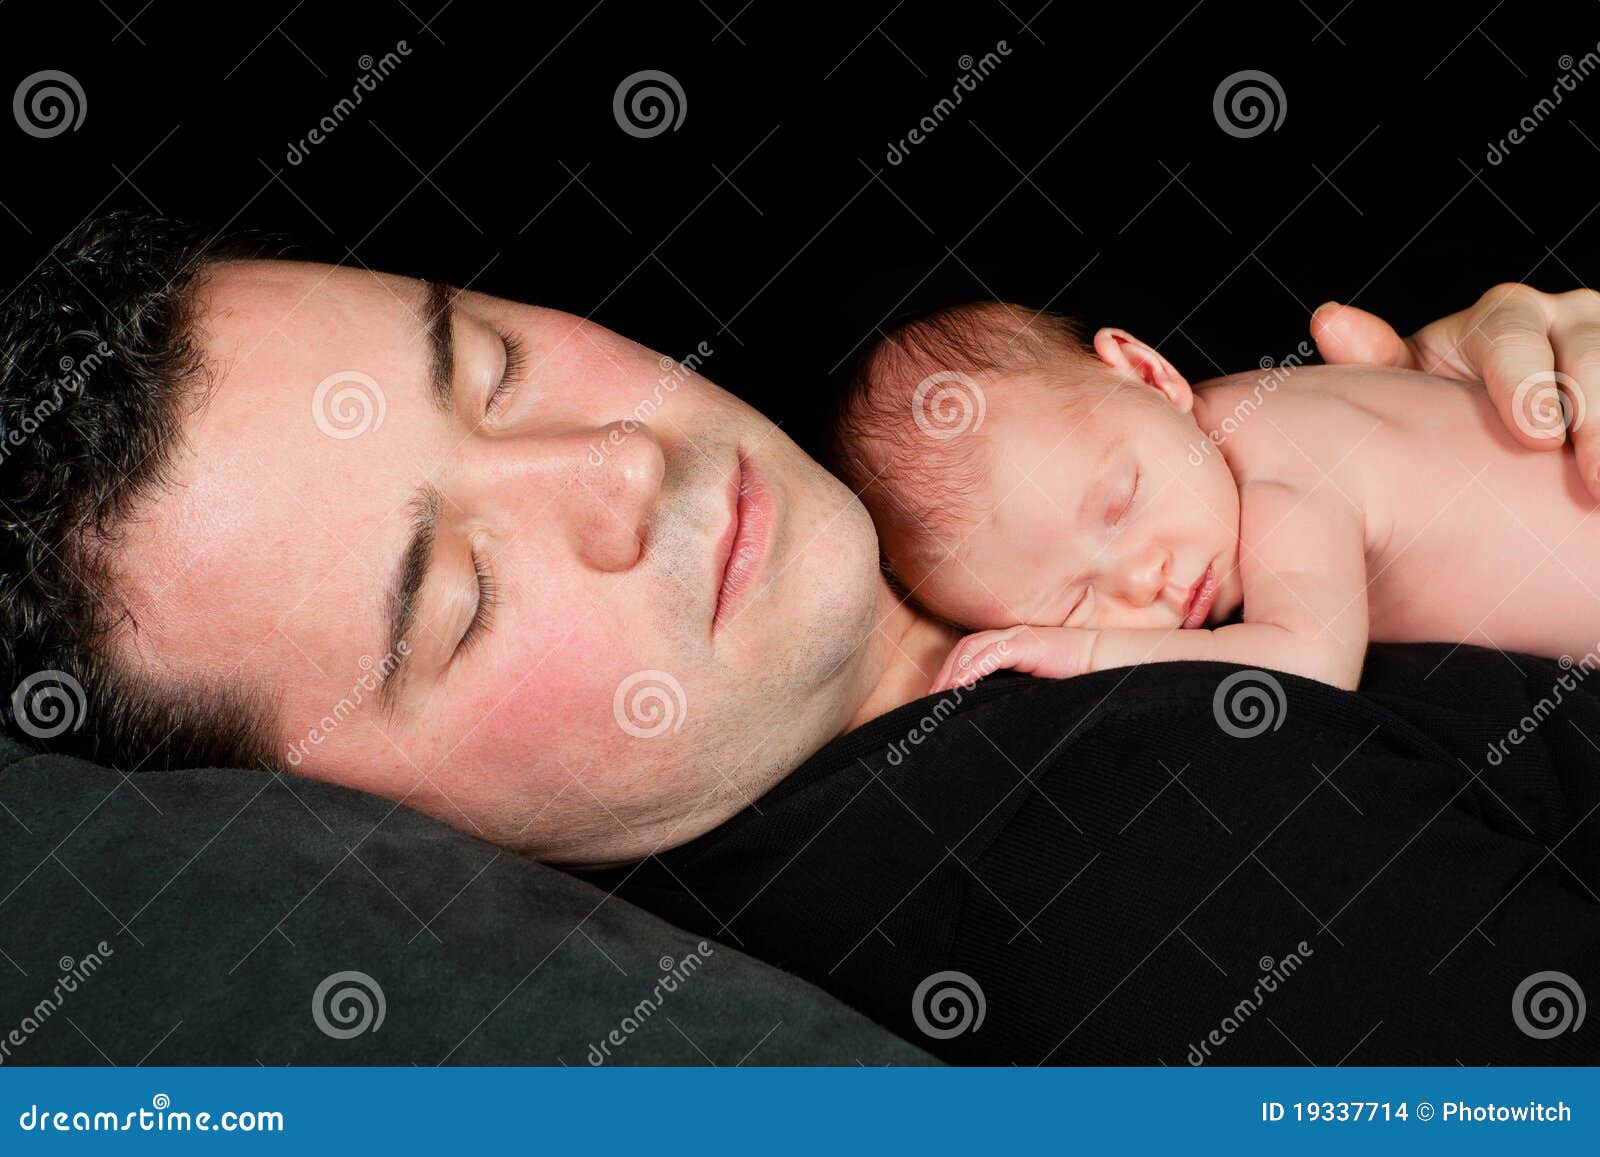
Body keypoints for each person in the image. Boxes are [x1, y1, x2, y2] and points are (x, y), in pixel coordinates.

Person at [2, 213, 1598, 1063]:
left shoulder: (1037, 504)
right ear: (342, 826)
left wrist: (1483, 432)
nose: (616, 468)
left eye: (492, 367)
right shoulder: (1151, 869)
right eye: (457, 598)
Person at [823, 301, 1600, 695]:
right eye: (1070, 604)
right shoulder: (1227, 416)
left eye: (1122, 503)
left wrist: (1075, 649)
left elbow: (1311, 663)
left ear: (1148, 373)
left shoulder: (1284, 481)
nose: (1141, 580)